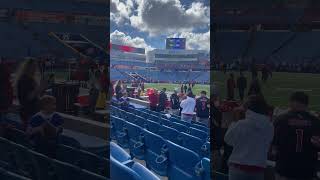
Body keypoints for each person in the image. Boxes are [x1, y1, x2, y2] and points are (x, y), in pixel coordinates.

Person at [225, 95, 274, 180]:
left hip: (238, 167)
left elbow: (228, 139)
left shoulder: (241, 124)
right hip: (258, 168)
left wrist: (234, 120)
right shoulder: (270, 126)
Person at [273, 92, 320, 180]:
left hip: (285, 169)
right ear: (306, 104)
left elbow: (274, 145)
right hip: (307, 170)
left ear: (292, 102)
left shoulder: (281, 120)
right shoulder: (315, 121)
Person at [16, 59, 47, 130]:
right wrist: (40, 88)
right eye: (33, 67)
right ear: (28, 67)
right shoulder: (24, 79)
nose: (35, 69)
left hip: (32, 111)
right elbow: (29, 97)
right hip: (29, 112)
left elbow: (36, 95)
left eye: (35, 67)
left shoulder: (30, 79)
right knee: (31, 134)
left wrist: (42, 88)